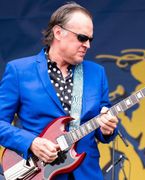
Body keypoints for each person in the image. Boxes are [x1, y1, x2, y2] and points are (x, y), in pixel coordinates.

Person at [0, 2, 118, 179]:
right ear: (58, 32)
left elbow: (103, 121)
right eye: (82, 38)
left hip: (87, 173)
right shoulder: (19, 71)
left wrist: (107, 129)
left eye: (90, 40)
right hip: (38, 172)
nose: (88, 45)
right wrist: (31, 143)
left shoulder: (97, 73)